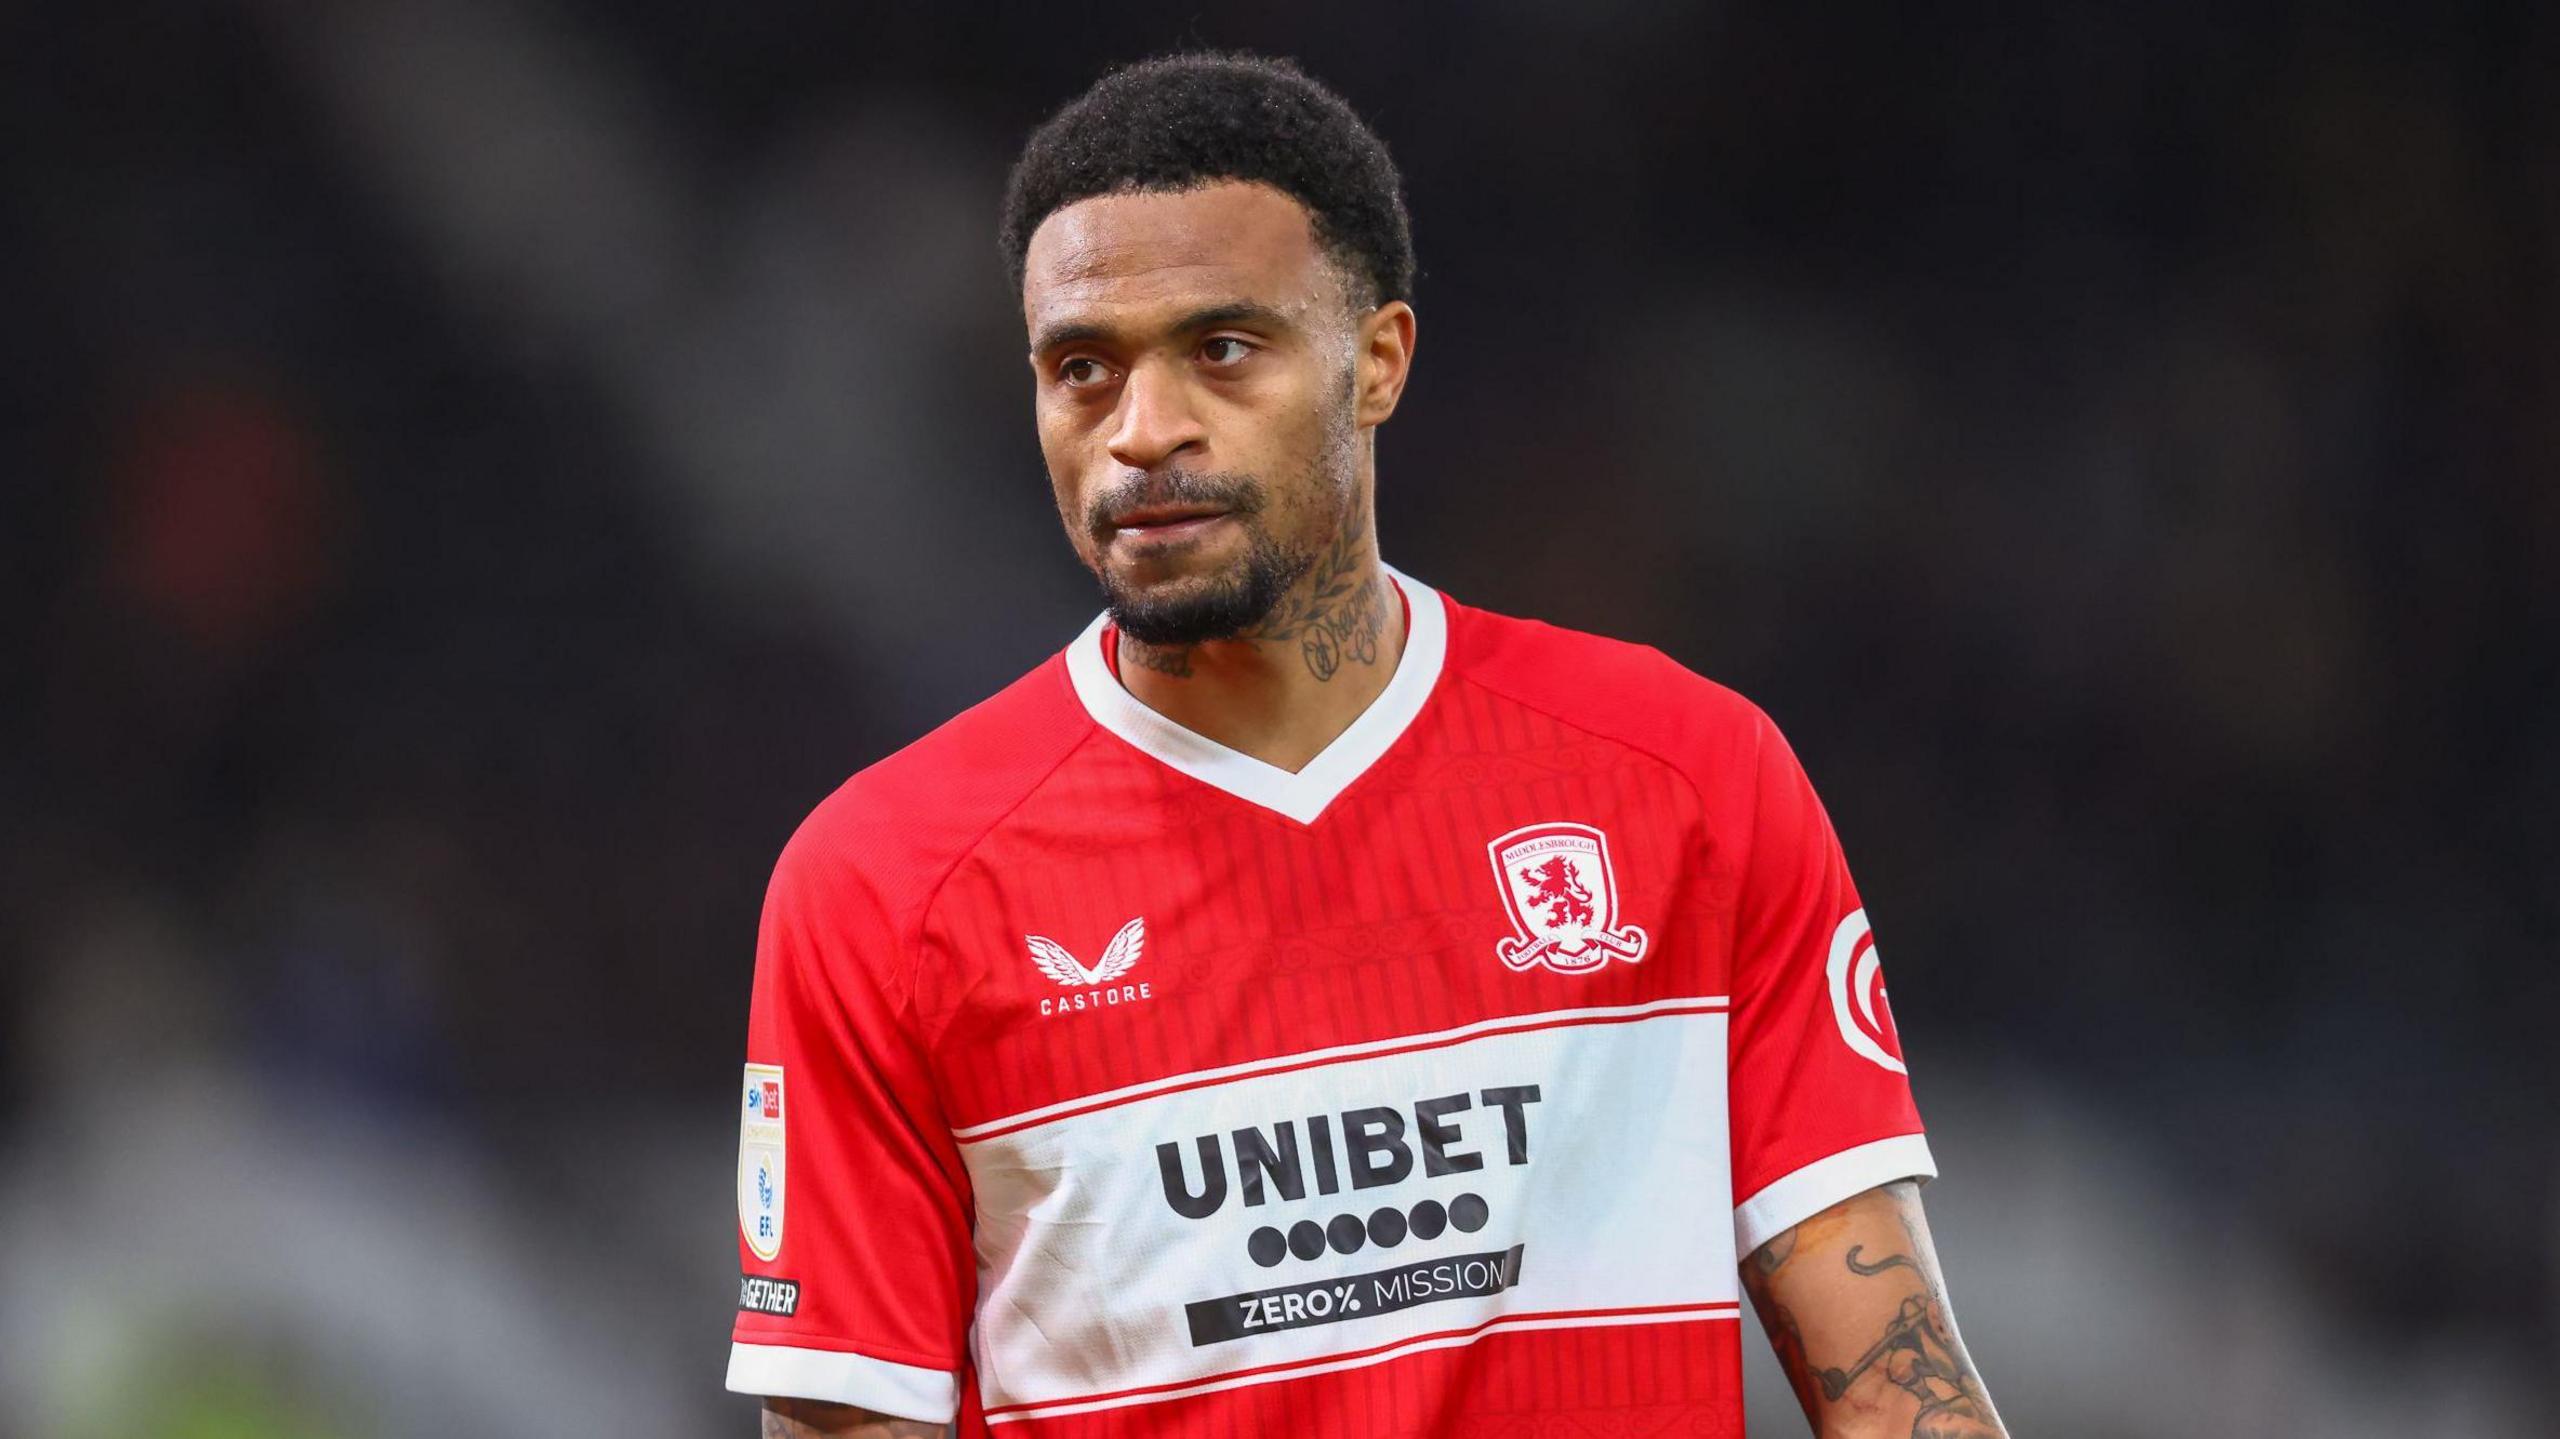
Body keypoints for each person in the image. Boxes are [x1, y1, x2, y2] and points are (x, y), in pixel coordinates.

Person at [727, 50, 2009, 1439]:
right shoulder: (884, 887)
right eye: (1083, 369)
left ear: (1378, 361)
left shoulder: (1685, 776)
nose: (1143, 432)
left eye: (1223, 350)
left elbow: (1898, 1389)